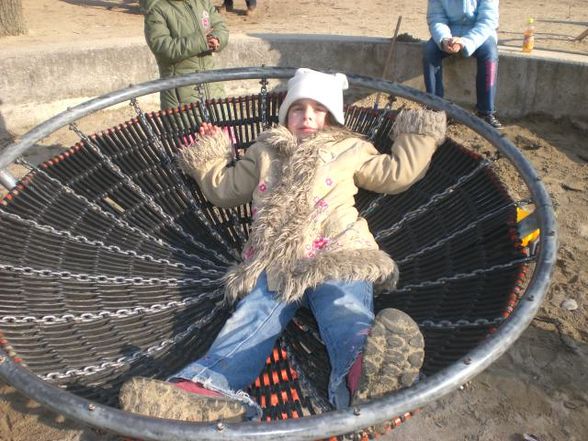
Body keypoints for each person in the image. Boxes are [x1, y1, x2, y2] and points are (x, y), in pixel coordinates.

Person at [120, 68, 447, 422]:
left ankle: (363, 374)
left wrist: (417, 134)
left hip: (337, 253)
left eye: (318, 109)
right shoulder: (264, 150)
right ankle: (207, 388)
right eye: (298, 108)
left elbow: (394, 174)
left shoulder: (348, 148)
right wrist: (209, 155)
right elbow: (225, 190)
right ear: (285, 114)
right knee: (252, 317)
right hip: (274, 261)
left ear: (333, 118)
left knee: (345, 309)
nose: (307, 116)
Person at [423, 0, 502, 129]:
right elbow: (436, 18)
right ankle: (435, 107)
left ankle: (485, 112)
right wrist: (444, 39)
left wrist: (465, 42)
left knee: (490, 54)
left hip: (480, 34)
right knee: (430, 51)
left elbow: (488, 21)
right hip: (449, 33)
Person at [141, 0, 229, 109]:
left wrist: (217, 38)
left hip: (213, 89)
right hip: (180, 97)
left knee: (219, 124)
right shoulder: (156, 9)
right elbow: (163, 48)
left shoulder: (202, 2)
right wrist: (201, 41)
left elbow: (220, 27)